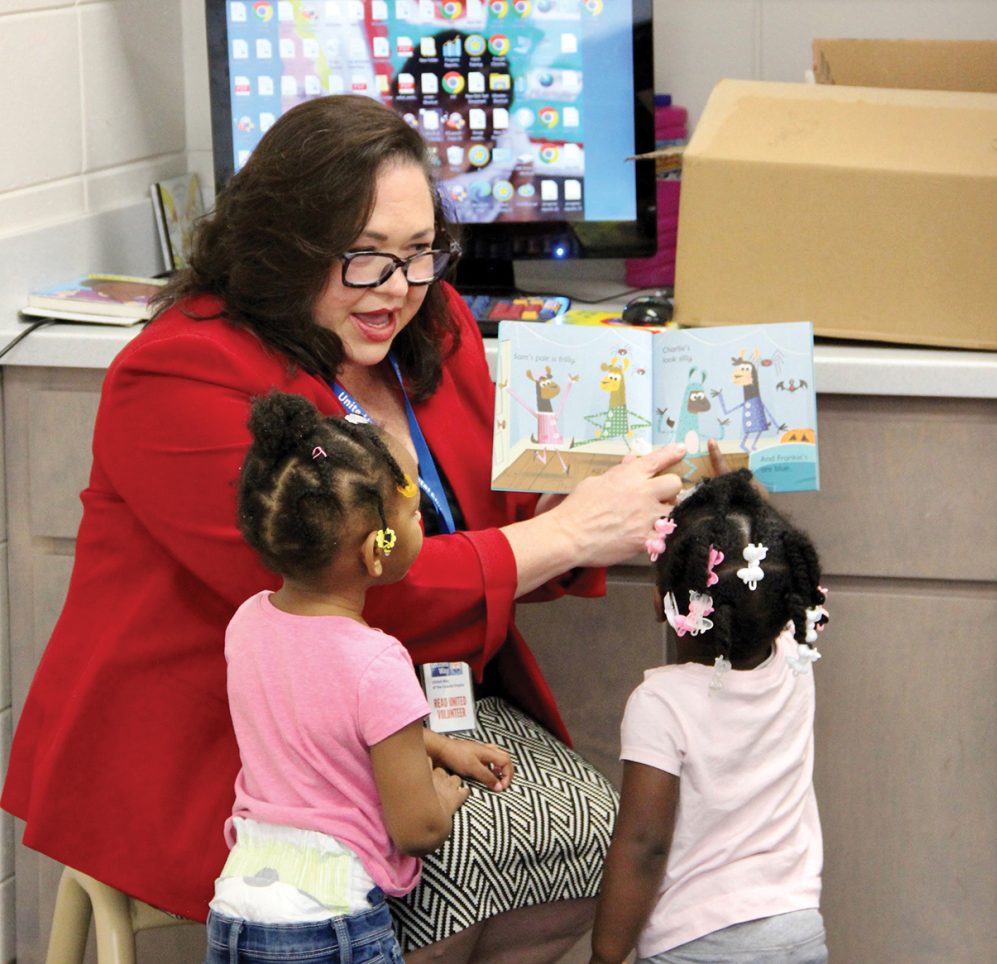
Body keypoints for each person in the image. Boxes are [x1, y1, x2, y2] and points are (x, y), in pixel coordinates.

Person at [2, 93, 689, 962]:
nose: (397, 289)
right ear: (281, 250)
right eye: (364, 259)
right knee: (445, 868)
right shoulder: (176, 373)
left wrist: (599, 498)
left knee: (584, 841)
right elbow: (345, 591)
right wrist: (567, 537)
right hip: (238, 736)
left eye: (418, 253)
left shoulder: (427, 324)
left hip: (404, 695)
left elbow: (481, 513)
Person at [207, 390, 511, 962]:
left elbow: (325, 723)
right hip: (330, 925)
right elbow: (415, 830)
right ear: (378, 551)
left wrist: (440, 745)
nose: (421, 518)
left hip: (237, 908)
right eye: (412, 512)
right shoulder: (376, 661)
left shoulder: (247, 623)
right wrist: (443, 796)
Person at [590, 469, 830, 964]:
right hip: (796, 928)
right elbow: (772, 575)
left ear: (663, 604)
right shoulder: (795, 656)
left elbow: (644, 845)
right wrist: (748, 500)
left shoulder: (661, 704)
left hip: (694, 942)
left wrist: (605, 955)